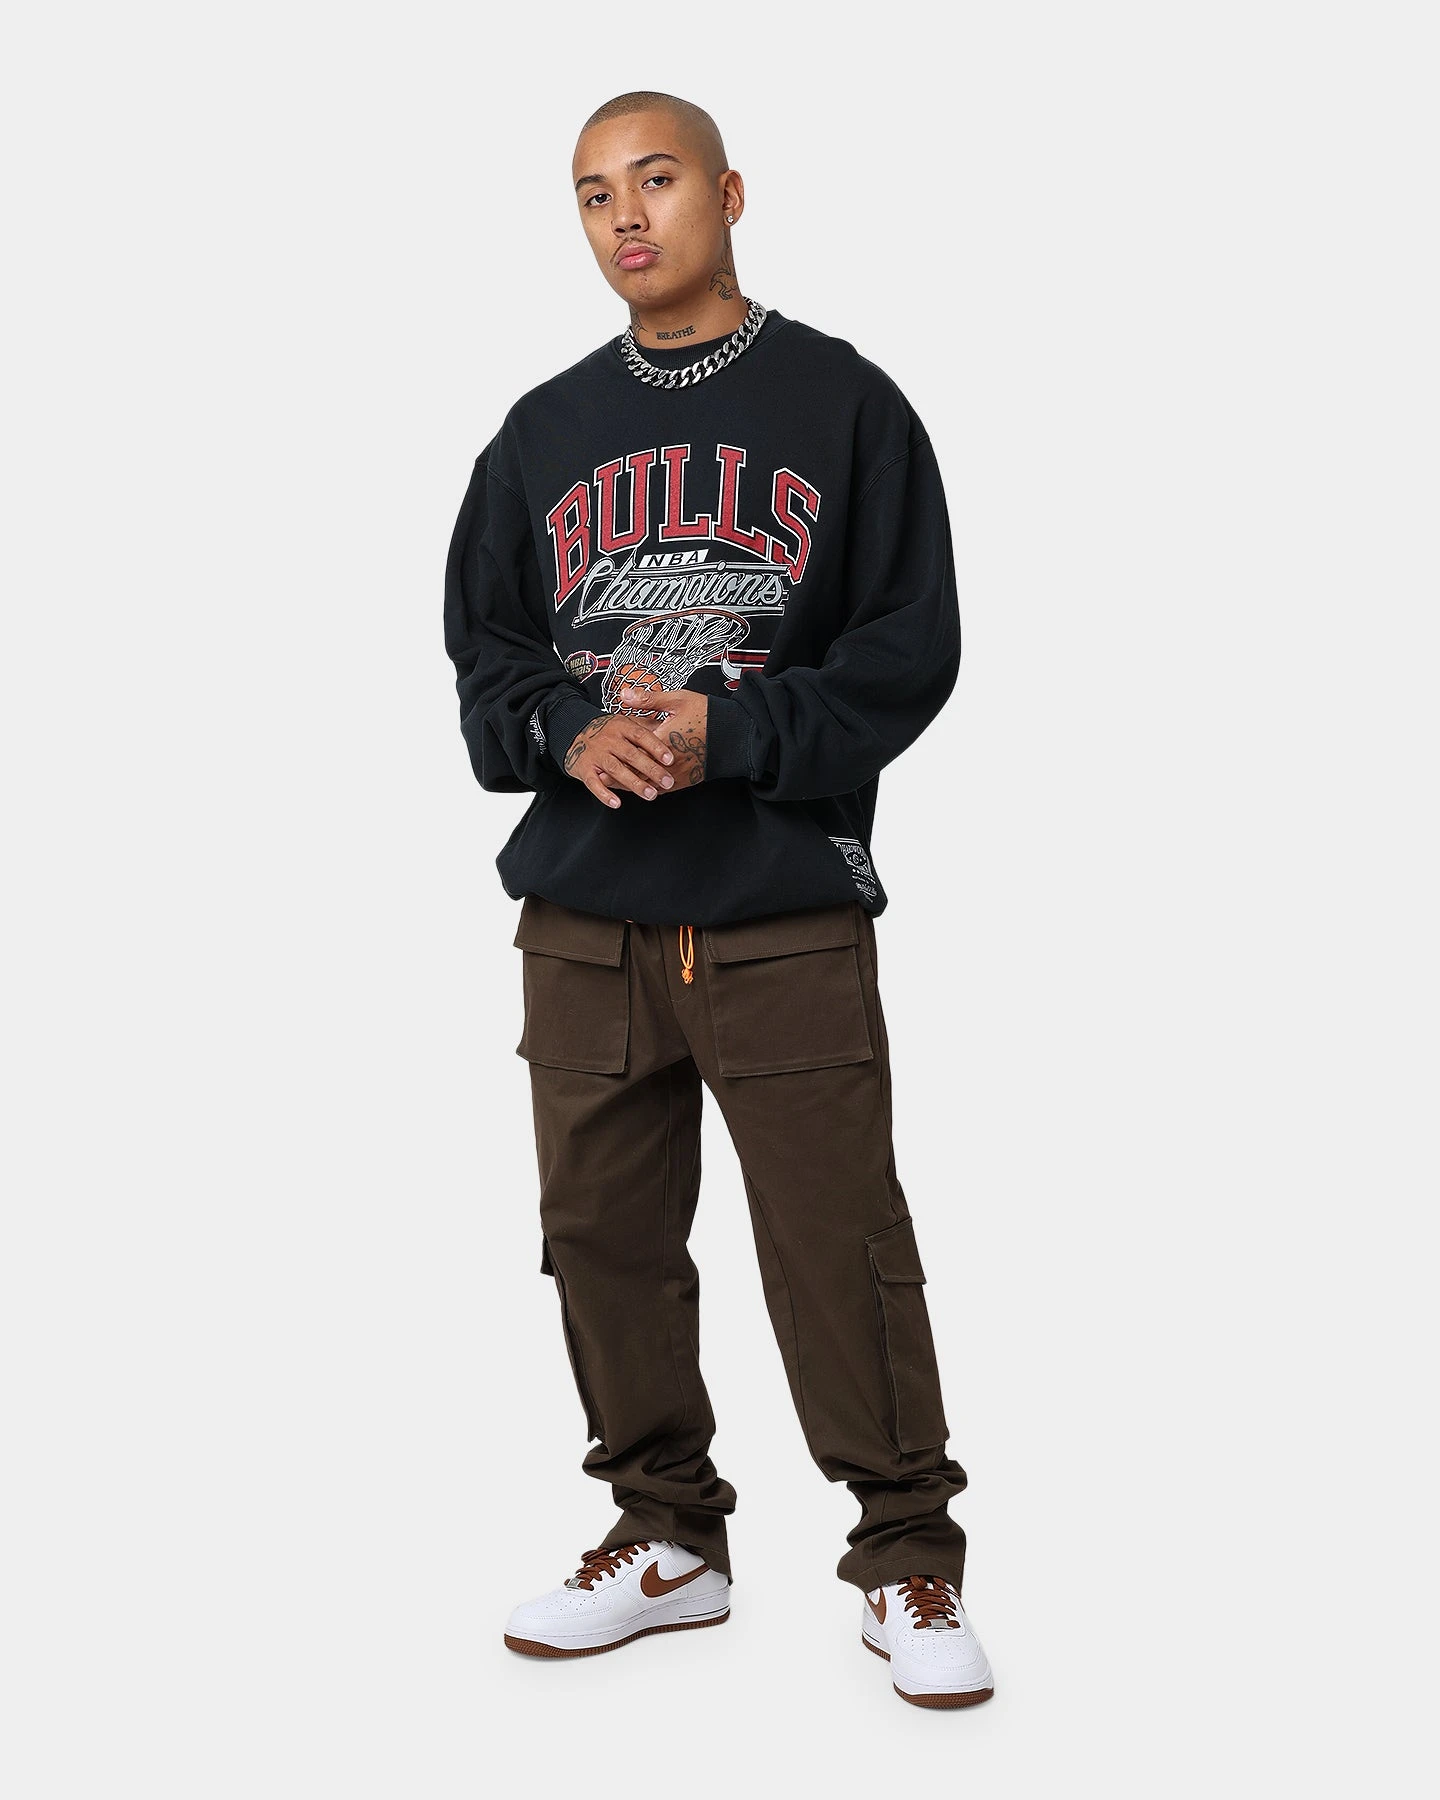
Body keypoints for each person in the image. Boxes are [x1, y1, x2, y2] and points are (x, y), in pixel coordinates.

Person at [443, 89, 994, 1709]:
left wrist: (731, 731)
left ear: (731, 193)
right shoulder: (538, 433)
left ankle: (907, 1555)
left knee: (838, 1244)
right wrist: (565, 729)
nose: (625, 215)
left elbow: (909, 650)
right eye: (592, 192)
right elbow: (487, 658)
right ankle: (666, 1535)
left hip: (778, 906)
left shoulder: (846, 404)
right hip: (584, 916)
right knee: (599, 1239)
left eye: (657, 178)